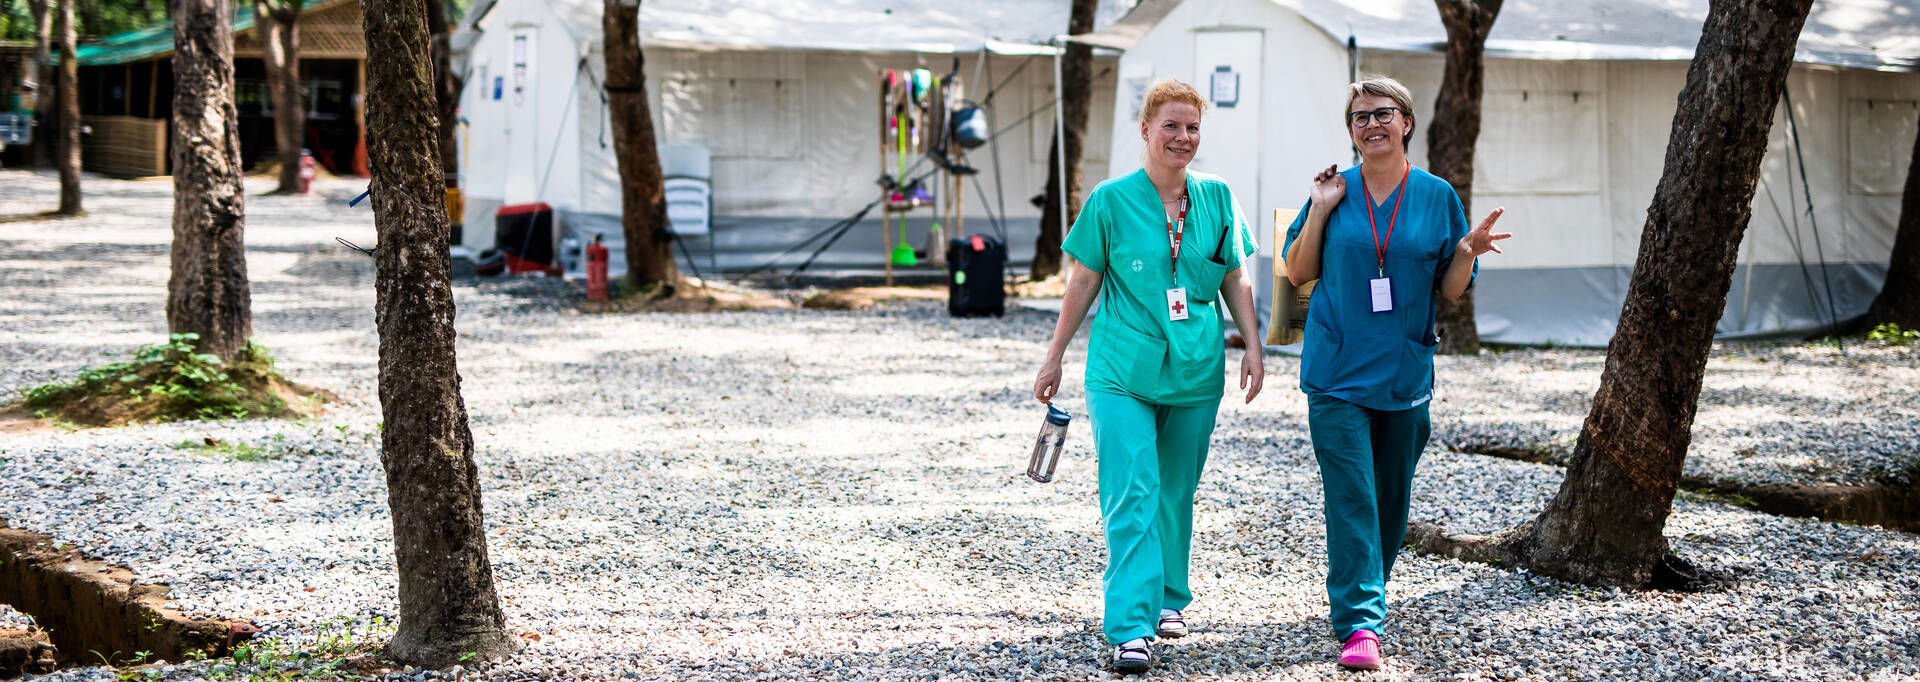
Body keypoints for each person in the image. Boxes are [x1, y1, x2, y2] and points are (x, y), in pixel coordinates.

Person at [1031, 77, 1264, 674]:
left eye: (1192, 128)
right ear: (1145, 131)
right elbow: (1082, 281)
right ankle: (1130, 626)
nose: (1183, 137)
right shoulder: (1111, 200)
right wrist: (1055, 356)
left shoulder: (1216, 198)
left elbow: (1235, 275)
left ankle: (1168, 598)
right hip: (1120, 371)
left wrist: (1254, 346)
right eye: (1171, 126)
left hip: (1194, 369)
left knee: (1175, 490)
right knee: (1132, 489)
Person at [1281, 75, 1512, 671]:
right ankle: (1360, 622)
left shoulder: (1437, 197)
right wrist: (1322, 209)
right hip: (1336, 370)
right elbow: (1297, 271)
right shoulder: (1332, 190)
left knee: (1390, 498)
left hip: (1406, 371)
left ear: (1406, 123)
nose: (1372, 125)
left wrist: (1465, 254)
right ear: (1351, 131)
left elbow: (1452, 291)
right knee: (1352, 495)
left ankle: (1365, 591)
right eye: (1360, 117)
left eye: (1383, 114)